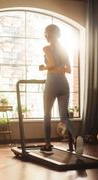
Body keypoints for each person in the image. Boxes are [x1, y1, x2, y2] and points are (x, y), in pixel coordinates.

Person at [39, 24, 75, 153]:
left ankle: (48, 145)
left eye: (45, 32)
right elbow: (69, 70)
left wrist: (44, 67)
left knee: (47, 115)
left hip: (52, 82)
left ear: (49, 34)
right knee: (64, 117)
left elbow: (52, 64)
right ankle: (77, 138)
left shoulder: (47, 48)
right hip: (64, 83)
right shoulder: (64, 50)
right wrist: (60, 68)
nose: (45, 35)